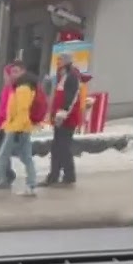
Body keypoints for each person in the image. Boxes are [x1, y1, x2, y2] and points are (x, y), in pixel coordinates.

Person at [0, 70, 41, 197]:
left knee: (2, 157)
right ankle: (31, 185)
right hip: (20, 128)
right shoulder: (21, 88)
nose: (11, 75)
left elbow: (22, 111)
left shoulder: (23, 89)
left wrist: (16, 129)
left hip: (16, 129)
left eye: (15, 72)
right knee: (26, 158)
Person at [45, 54, 83, 187]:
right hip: (60, 118)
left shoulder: (72, 77)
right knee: (57, 148)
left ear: (66, 63)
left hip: (67, 119)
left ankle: (68, 175)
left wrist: (62, 114)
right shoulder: (62, 77)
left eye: (60, 61)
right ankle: (54, 175)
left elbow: (71, 98)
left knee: (62, 148)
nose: (57, 63)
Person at [0, 60, 26, 186]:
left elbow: (10, 108)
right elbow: (2, 106)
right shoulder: (6, 88)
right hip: (2, 124)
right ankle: (7, 174)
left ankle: (5, 177)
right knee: (0, 151)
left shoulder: (14, 89)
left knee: (2, 152)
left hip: (8, 125)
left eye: (7, 74)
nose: (5, 77)